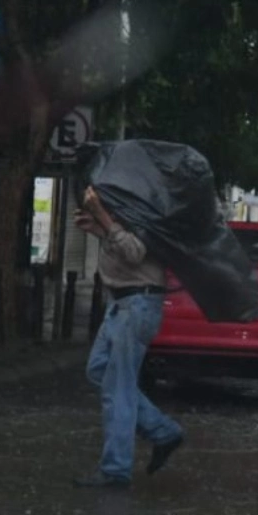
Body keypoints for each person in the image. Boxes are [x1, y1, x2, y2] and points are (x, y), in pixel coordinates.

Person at [74, 185, 183, 488]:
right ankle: (163, 431)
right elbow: (123, 247)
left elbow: (135, 252)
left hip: (137, 304)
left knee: (118, 387)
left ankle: (115, 469)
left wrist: (104, 219)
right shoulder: (127, 212)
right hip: (120, 304)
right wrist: (99, 228)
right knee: (98, 370)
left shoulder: (147, 212)